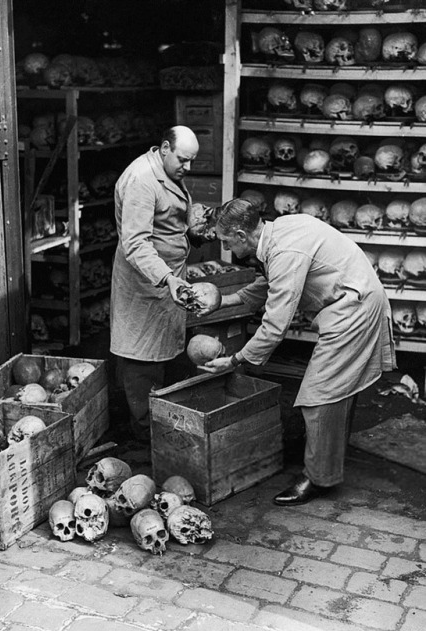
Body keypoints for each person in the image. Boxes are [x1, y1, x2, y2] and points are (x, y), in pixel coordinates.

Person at [200, 199, 396, 506]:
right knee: (337, 392)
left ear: (240, 235)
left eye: (225, 241)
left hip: (353, 310)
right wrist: (221, 302)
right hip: (350, 302)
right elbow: (270, 286)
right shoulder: (278, 233)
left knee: (318, 396)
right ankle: (325, 462)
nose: (224, 248)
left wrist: (236, 359)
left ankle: (318, 478)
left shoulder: (285, 252)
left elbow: (275, 323)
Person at [110, 125, 200, 442]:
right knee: (141, 358)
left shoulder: (166, 171)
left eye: (191, 162)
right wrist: (167, 278)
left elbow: (166, 220)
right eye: (184, 160)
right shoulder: (141, 181)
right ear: (165, 148)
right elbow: (135, 244)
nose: (187, 168)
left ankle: (162, 421)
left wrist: (191, 231)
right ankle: (145, 433)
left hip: (169, 278)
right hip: (147, 281)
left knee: (162, 353)